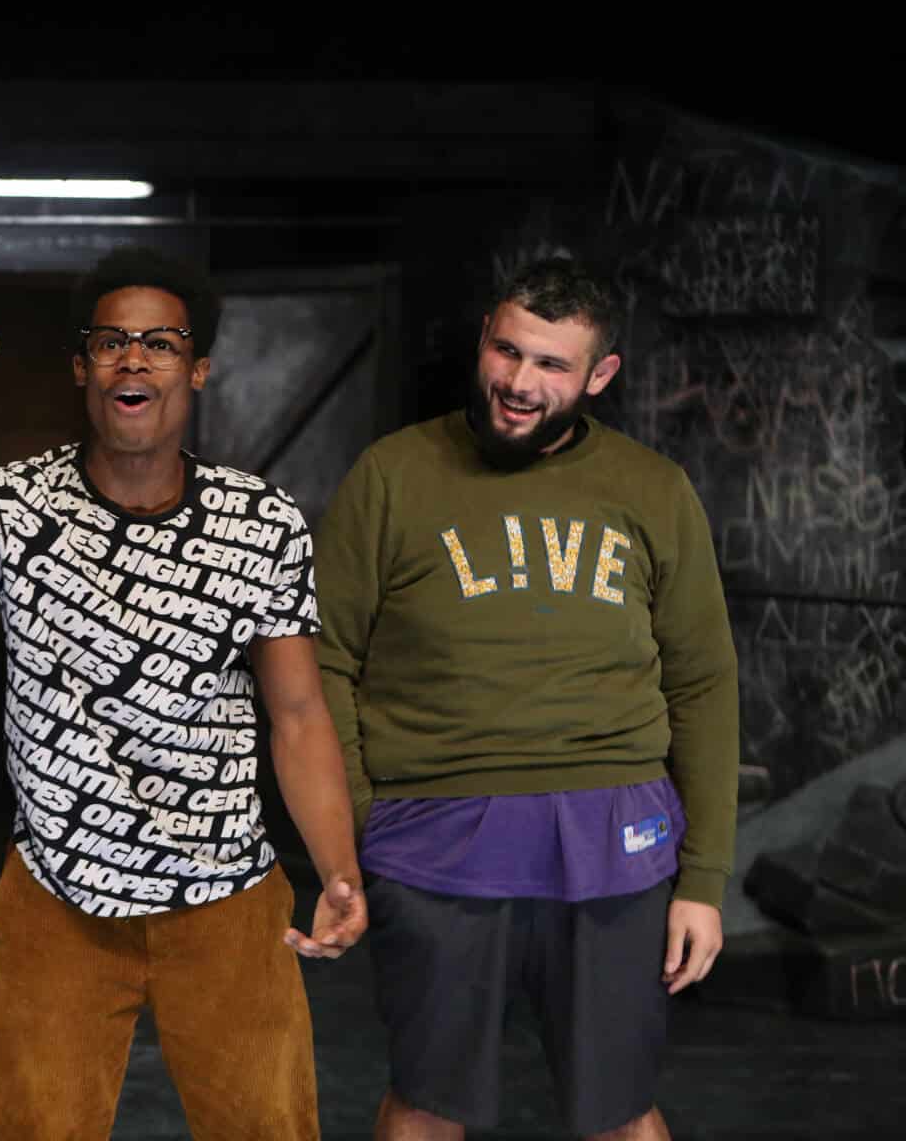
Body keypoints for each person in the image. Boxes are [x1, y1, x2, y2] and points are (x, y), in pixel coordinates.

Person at [0, 248, 366, 1138]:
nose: (134, 359)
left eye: (161, 343)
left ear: (197, 369)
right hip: (60, 904)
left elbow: (297, 712)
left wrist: (340, 868)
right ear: (81, 367)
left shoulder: (262, 521)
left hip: (226, 900)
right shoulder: (12, 505)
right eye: (111, 342)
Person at [314, 257, 738, 1141]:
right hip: (433, 837)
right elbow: (324, 664)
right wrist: (358, 833)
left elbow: (702, 682)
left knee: (620, 1110)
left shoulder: (652, 489)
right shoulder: (392, 475)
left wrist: (702, 881)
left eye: (551, 364)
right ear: (483, 339)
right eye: (507, 351)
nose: (518, 382)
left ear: (600, 375)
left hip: (617, 837)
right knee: (427, 1102)